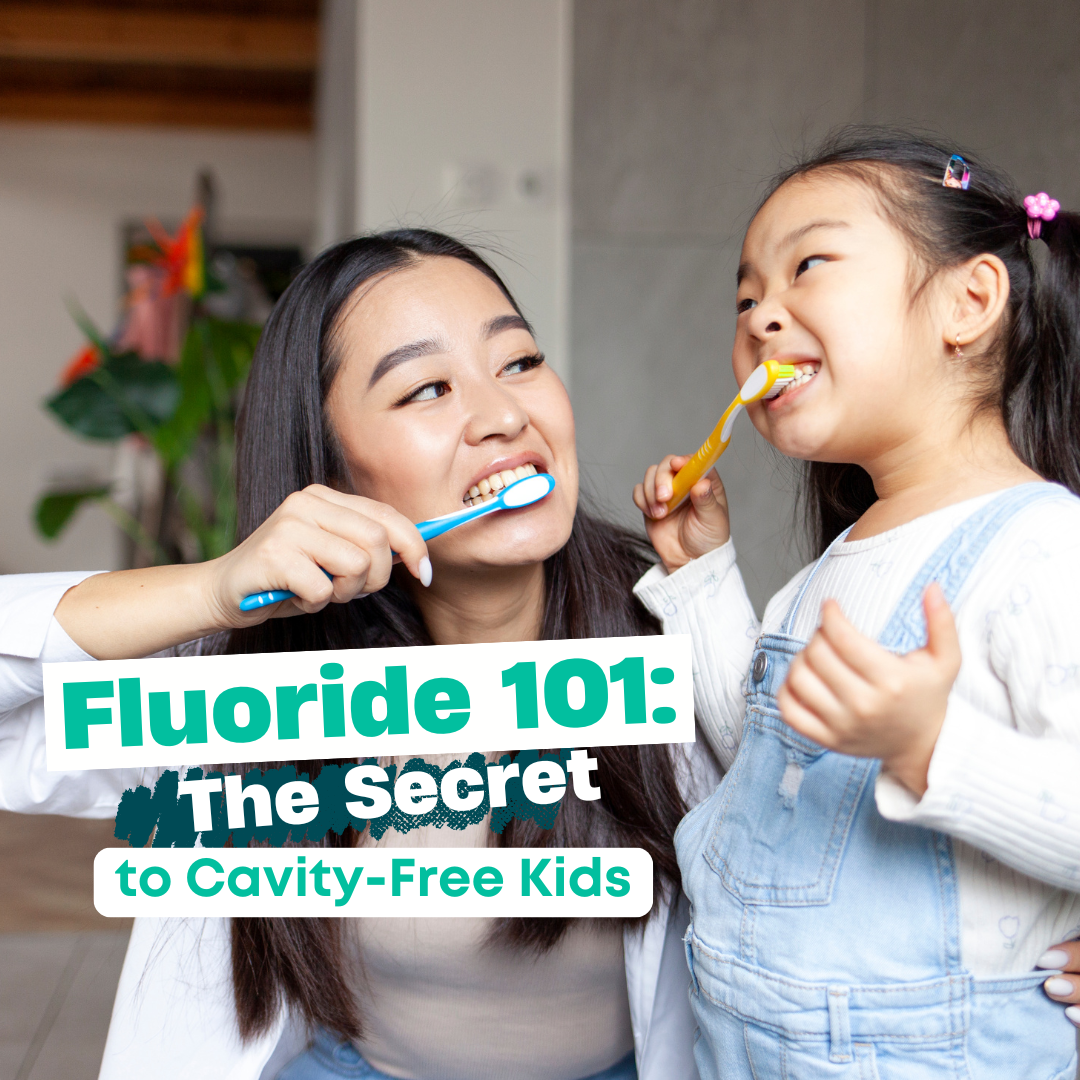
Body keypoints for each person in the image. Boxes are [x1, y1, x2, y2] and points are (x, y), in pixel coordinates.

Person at [0, 229, 717, 1080]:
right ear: (334, 472)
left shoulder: (679, 635)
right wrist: (211, 589)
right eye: (428, 389)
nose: (503, 416)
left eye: (519, 361)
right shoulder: (256, 699)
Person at [634, 129, 1080, 1079]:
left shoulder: (1043, 547)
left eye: (809, 268)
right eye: (747, 297)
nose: (761, 316)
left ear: (969, 301)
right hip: (746, 1039)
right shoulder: (839, 560)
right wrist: (701, 580)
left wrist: (932, 749)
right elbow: (764, 757)